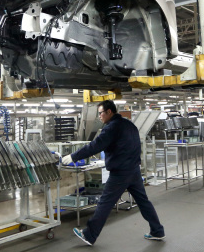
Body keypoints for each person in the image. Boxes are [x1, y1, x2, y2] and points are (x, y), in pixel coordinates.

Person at [62, 100, 165, 246]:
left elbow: (95, 146)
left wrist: (73, 156)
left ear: (109, 112)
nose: (99, 117)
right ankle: (157, 231)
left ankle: (89, 234)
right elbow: (136, 146)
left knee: (105, 203)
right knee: (143, 202)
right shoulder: (129, 125)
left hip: (120, 173)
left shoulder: (112, 127)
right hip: (134, 170)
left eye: (101, 113)